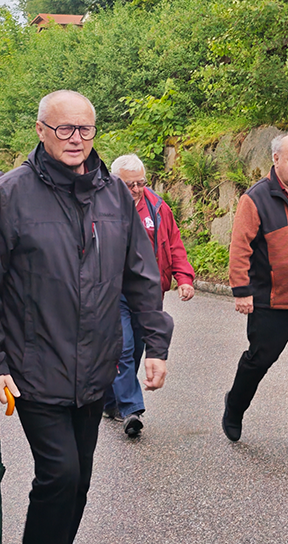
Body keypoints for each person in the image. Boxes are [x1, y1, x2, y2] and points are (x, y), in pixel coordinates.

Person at [0, 90, 174, 544]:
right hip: (34, 365)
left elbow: (140, 277)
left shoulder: (113, 194)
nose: (77, 138)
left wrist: (154, 343)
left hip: (96, 364)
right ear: (41, 130)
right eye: (65, 129)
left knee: (79, 480)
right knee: (58, 476)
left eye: (85, 128)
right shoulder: (9, 194)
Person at [222, 134, 288, 459]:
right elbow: (240, 246)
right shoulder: (255, 199)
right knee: (259, 360)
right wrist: (242, 291)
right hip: (270, 301)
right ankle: (235, 406)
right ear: (276, 160)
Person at [103, 153, 195, 436]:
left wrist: (184, 277)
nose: (136, 190)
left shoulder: (157, 207)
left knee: (139, 346)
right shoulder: (100, 206)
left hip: (147, 292)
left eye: (140, 183)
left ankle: (110, 399)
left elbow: (174, 243)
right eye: (129, 185)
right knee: (124, 347)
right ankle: (132, 409)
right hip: (113, 291)